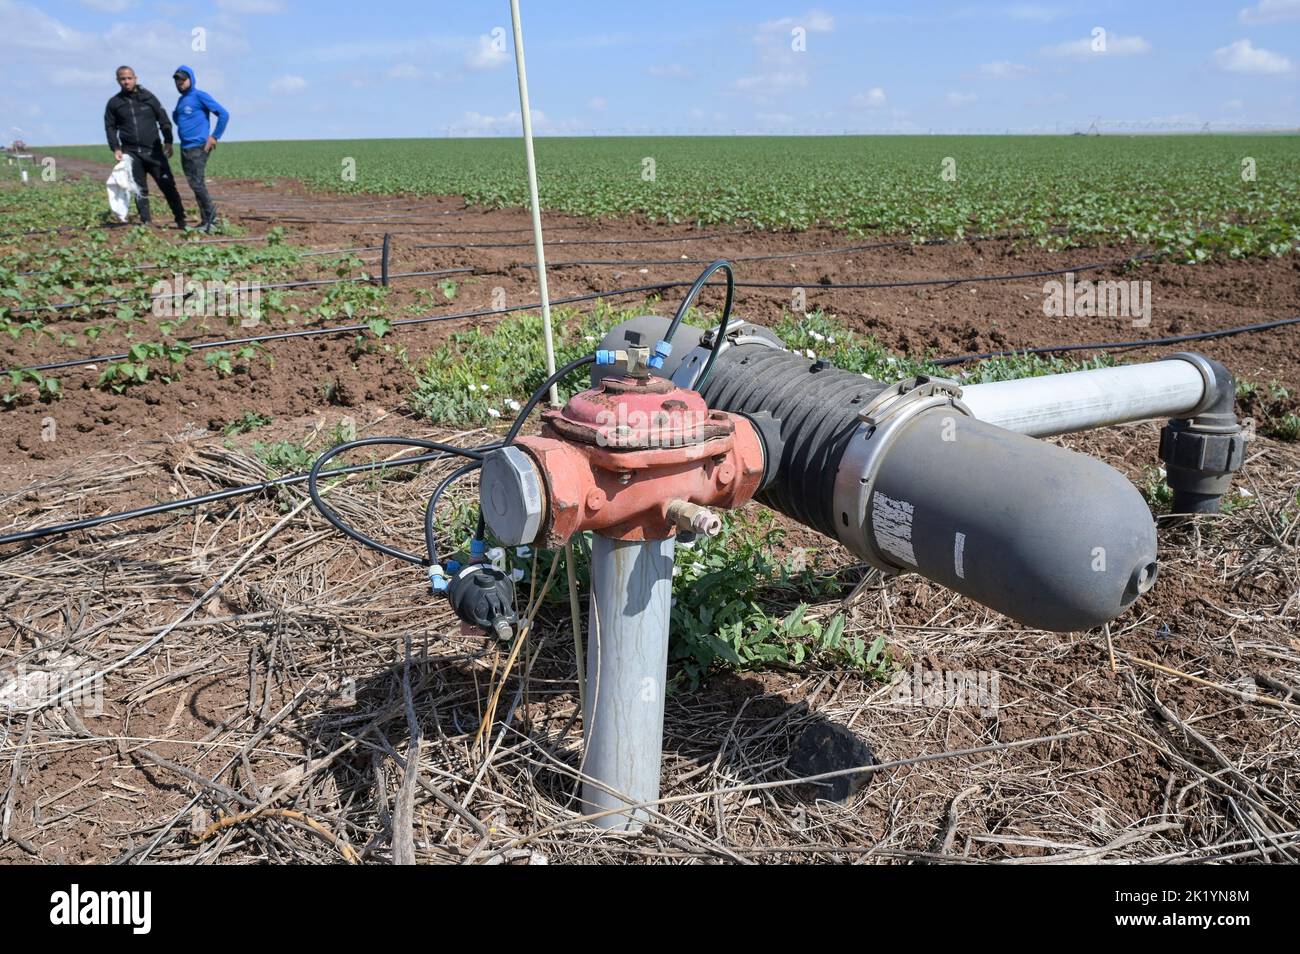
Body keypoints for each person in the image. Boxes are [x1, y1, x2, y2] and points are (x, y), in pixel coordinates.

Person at [103, 65, 187, 229]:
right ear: (118, 81)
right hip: (132, 153)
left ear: (135, 78)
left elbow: (163, 120)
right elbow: (110, 127)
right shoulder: (114, 103)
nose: (126, 81)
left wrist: (168, 141)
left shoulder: (148, 97)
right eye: (122, 79)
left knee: (168, 185)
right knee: (140, 189)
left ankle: (181, 219)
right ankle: (146, 221)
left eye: (129, 78)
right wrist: (116, 148)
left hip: (154, 152)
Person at [172, 65, 229, 233]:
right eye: (177, 80)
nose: (180, 83)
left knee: (197, 184)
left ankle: (212, 221)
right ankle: (207, 220)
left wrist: (214, 136)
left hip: (198, 147)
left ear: (191, 79)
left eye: (183, 79)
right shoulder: (182, 100)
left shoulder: (199, 96)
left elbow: (224, 114)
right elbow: (178, 117)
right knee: (194, 183)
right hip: (186, 147)